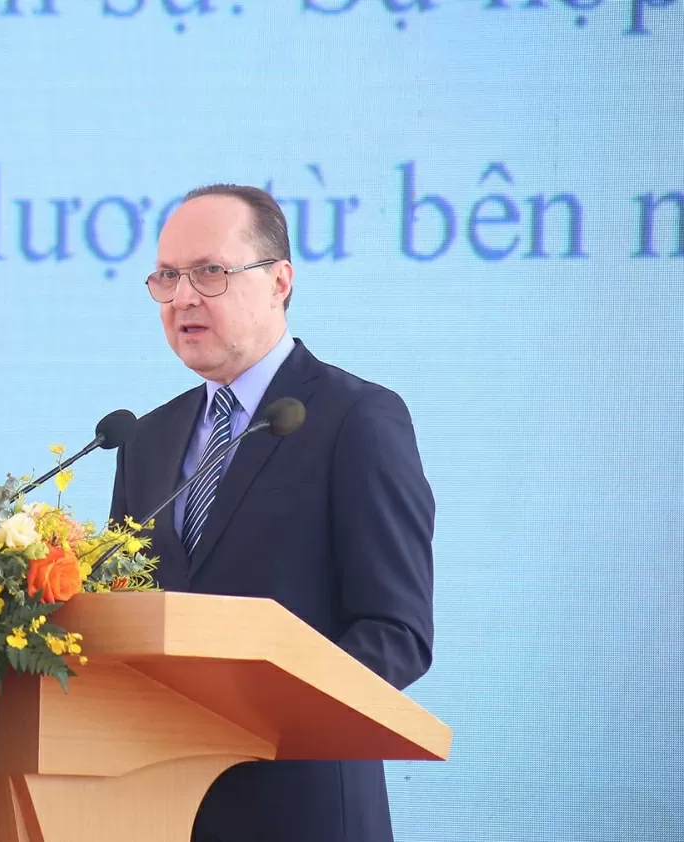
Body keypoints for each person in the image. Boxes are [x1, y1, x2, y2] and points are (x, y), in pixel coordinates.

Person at [107, 184, 436, 842]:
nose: (182, 298)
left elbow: (396, 632)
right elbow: (124, 616)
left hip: (304, 809)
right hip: (159, 810)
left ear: (280, 281)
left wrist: (252, 717)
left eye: (210, 273)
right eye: (167, 277)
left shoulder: (357, 419)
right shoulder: (143, 439)